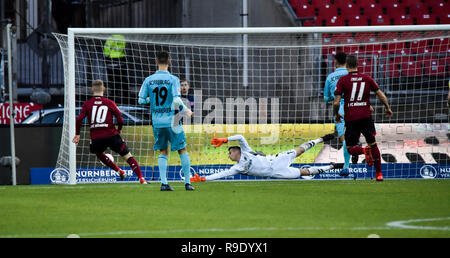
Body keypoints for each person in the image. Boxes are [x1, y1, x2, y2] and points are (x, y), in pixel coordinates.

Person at [138, 51, 194, 191]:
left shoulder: (148, 80)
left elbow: (141, 100)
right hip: (173, 119)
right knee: (182, 149)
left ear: (156, 62)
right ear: (169, 62)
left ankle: (164, 184)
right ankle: (187, 183)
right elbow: (176, 99)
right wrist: (186, 110)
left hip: (157, 120)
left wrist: (151, 98)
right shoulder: (173, 79)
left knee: (163, 151)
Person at [72, 79, 147, 184]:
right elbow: (120, 119)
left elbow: (79, 119)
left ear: (92, 89)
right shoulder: (109, 102)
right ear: (104, 89)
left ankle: (119, 171)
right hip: (112, 135)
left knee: (99, 153)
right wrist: (119, 130)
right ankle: (141, 178)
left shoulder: (87, 104)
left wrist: (77, 134)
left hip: (96, 137)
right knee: (127, 156)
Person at [333, 55, 393, 181]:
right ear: (357, 65)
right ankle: (379, 174)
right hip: (366, 117)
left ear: (347, 66)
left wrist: (336, 114)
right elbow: (380, 94)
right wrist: (387, 107)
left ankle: (364, 151)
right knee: (373, 144)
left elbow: (336, 103)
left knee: (350, 148)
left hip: (351, 118)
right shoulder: (366, 78)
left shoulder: (343, 80)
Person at [190, 134, 342, 182]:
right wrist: (204, 179)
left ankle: (321, 139)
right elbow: (221, 174)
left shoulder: (247, 151)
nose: (229, 155)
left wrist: (225, 140)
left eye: (230, 152)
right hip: (275, 173)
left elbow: (241, 137)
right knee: (304, 173)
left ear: (236, 151)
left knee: (299, 150)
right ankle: (331, 166)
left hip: (275, 160)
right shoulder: (237, 168)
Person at [324, 52, 353, 176]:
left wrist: (333, 96)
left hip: (339, 109)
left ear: (335, 62)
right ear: (347, 62)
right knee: (354, 135)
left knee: (344, 139)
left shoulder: (330, 77)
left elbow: (326, 98)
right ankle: (353, 155)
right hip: (354, 107)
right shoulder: (351, 74)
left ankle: (346, 167)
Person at [103, 34, 130, 105]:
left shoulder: (111, 38)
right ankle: (126, 96)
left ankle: (114, 96)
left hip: (112, 59)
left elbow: (106, 48)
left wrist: (106, 56)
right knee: (122, 78)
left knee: (113, 79)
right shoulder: (122, 37)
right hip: (121, 58)